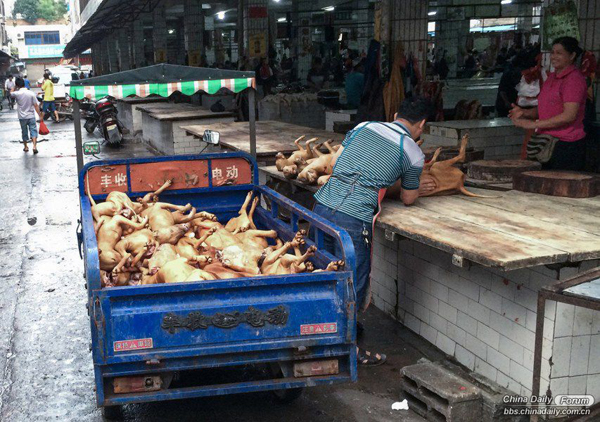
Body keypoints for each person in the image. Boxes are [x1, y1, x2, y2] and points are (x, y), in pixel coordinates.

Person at [312, 96, 437, 366]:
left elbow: (334, 166)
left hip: (322, 207)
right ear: (422, 125)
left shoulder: (363, 127)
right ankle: (347, 350)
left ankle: (320, 334)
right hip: (354, 218)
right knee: (352, 284)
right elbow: (408, 198)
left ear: (394, 114)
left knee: (320, 273)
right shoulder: (412, 152)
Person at [510, 36, 587, 170]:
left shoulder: (573, 80)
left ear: (572, 55)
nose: (554, 57)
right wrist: (525, 113)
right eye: (553, 52)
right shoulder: (552, 77)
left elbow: (569, 116)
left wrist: (534, 124)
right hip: (546, 142)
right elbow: (546, 109)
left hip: (566, 146)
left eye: (559, 53)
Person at [9, 77, 43, 154]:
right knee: (33, 130)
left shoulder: (17, 93)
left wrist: (13, 87)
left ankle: (26, 147)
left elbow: (11, 93)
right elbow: (36, 106)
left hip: (22, 117)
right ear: (24, 84)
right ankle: (34, 146)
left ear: (17, 85)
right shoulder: (31, 93)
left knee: (24, 132)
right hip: (31, 116)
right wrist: (40, 115)